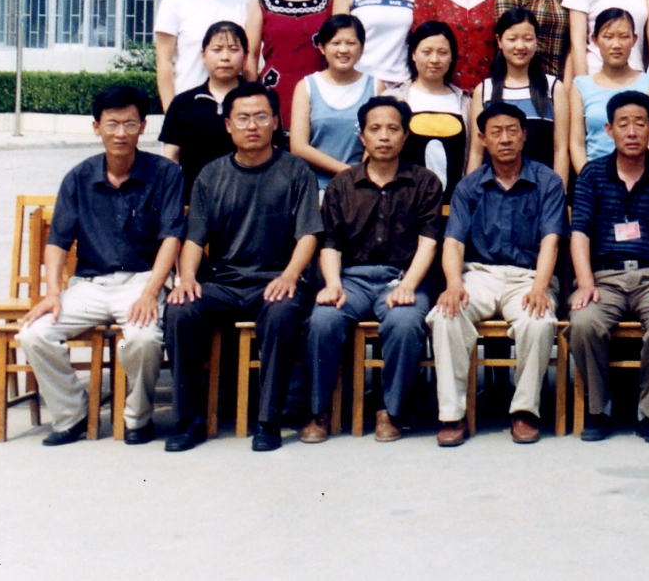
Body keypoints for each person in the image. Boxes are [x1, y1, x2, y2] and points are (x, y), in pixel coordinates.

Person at [19, 84, 183, 446]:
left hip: (141, 281)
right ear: (97, 127)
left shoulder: (165, 174)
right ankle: (71, 415)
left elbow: (171, 237)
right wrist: (52, 294)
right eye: (112, 124)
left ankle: (137, 418)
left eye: (129, 123)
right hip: (89, 286)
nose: (121, 133)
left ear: (143, 127)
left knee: (143, 340)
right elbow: (58, 241)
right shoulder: (78, 178)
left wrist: (151, 292)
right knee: (33, 333)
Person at [162, 83, 322, 453]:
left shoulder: (297, 171)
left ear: (276, 122)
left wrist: (290, 275)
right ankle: (189, 419)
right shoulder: (210, 175)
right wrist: (187, 278)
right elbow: (193, 238)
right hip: (223, 282)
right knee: (180, 310)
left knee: (283, 312)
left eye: (261, 117)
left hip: (275, 280)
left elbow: (309, 234)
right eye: (243, 118)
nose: (252, 126)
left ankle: (268, 420)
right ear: (228, 125)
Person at [303, 96, 443, 443]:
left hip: (402, 278)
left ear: (405, 136)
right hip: (352, 279)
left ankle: (390, 411)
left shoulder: (425, 183)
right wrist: (333, 284)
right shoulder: (342, 184)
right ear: (361, 136)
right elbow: (330, 243)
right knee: (323, 320)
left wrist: (409, 285)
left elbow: (428, 242)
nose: (384, 136)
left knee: (405, 322)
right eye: (375, 128)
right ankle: (319, 411)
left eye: (393, 129)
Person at [429, 101, 566, 446]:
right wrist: (454, 284)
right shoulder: (469, 186)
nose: (505, 139)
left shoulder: (548, 181)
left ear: (524, 135)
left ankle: (524, 412)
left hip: (529, 276)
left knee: (539, 321)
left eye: (511, 131)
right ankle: (452, 415)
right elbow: (453, 242)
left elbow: (551, 240)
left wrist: (541, 287)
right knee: (446, 315)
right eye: (496, 132)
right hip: (480, 275)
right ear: (482, 139)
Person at [568, 90, 649, 443]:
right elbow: (580, 234)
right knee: (583, 322)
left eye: (640, 123)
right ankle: (599, 408)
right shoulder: (592, 174)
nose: (632, 131)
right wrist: (585, 282)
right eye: (623, 124)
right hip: (604, 277)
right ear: (609, 130)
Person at [158, 19, 252, 204]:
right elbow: (170, 158)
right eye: (217, 49)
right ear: (203, 56)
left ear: (245, 57)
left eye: (233, 49)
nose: (225, 57)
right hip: (195, 201)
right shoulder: (183, 103)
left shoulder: (258, 102)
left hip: (249, 202)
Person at [472, 7, 566, 177]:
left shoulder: (553, 88)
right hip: (493, 188)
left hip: (542, 188)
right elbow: (477, 152)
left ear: (536, 41)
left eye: (528, 39)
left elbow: (560, 150)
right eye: (512, 39)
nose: (520, 46)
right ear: (499, 41)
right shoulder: (485, 90)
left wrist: (559, 190)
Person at [287, 14, 376, 190]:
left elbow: (378, 140)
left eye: (351, 43)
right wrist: (349, 173)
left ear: (362, 48)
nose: (343, 50)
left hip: (363, 187)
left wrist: (361, 176)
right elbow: (298, 146)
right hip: (315, 186)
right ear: (322, 47)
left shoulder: (375, 86)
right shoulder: (306, 86)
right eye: (335, 43)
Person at [571, 8, 649, 175]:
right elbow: (577, 144)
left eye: (624, 37)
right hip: (594, 178)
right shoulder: (581, 86)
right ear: (595, 39)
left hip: (641, 178)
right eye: (608, 37)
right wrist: (589, 181)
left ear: (634, 40)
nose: (616, 45)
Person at [396, 20, 473, 193]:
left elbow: (474, 156)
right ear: (413, 54)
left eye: (442, 52)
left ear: (452, 57)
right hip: (404, 203)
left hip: (454, 203)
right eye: (426, 52)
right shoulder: (394, 98)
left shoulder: (465, 103)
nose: (434, 60)